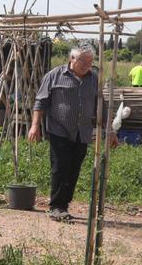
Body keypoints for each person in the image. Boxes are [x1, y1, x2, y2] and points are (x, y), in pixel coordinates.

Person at [28, 45, 117, 221]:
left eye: (90, 62)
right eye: (83, 61)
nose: (87, 65)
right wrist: (34, 126)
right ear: (72, 59)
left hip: (82, 132)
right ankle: (55, 207)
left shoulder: (93, 79)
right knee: (60, 167)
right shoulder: (55, 75)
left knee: (73, 169)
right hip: (59, 130)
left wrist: (110, 130)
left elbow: (102, 106)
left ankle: (64, 205)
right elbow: (40, 101)